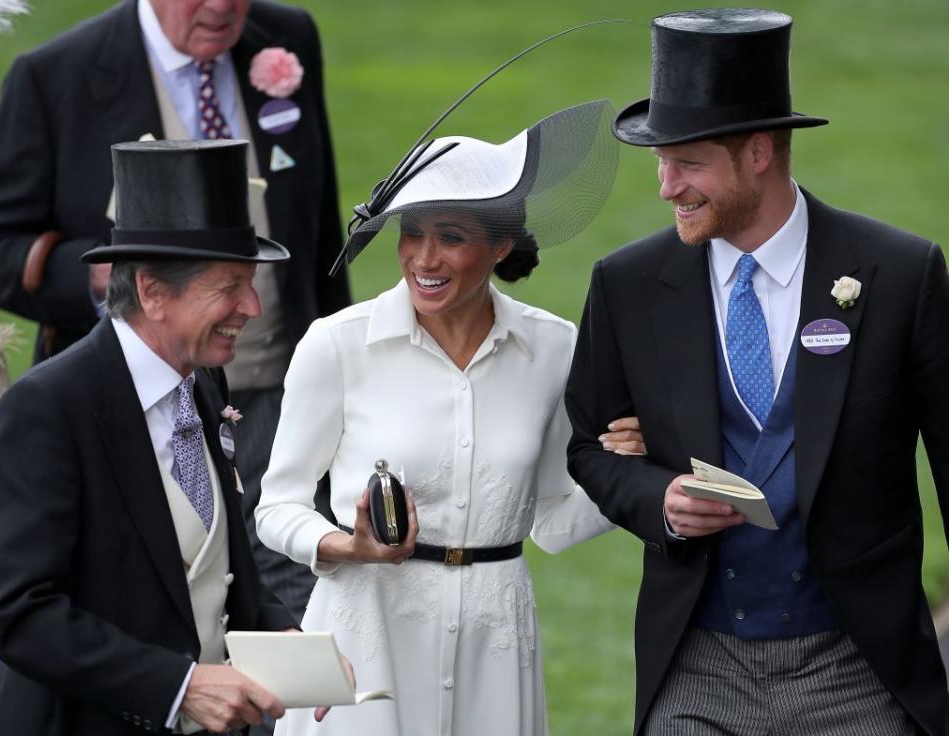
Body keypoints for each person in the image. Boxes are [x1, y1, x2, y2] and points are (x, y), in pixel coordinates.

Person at [565, 8, 949, 736]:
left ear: (759, 153)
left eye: (688, 162)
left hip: (856, 672)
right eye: (660, 161)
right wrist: (660, 498)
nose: (666, 185)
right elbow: (587, 447)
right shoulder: (629, 283)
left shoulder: (900, 274)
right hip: (696, 670)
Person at [255, 100, 644, 735]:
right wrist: (343, 545)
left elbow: (550, 518)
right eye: (413, 232)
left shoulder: (555, 348)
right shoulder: (337, 344)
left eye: (452, 237)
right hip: (364, 640)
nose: (423, 259)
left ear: (500, 246)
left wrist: (626, 473)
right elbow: (276, 506)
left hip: (496, 646)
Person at [0, 0, 349, 622]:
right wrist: (109, 270)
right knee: (163, 602)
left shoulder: (287, 37)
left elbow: (317, 227)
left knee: (296, 605)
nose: (221, 7)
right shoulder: (54, 75)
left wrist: (341, 377)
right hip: (141, 406)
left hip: (284, 392)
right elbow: (2, 249)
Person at [0, 139, 344, 735]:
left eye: (250, 283)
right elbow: (17, 613)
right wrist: (178, 687)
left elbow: (219, 567)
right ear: (152, 291)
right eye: (229, 286)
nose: (252, 306)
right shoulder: (50, 406)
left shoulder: (203, 379)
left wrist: (280, 635)